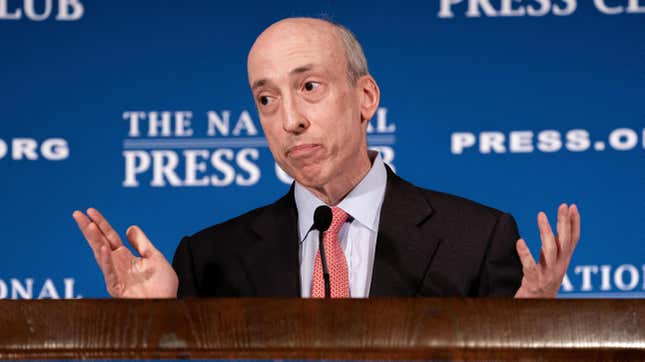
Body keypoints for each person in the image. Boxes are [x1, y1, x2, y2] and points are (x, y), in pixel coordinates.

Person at [72, 17, 580, 299]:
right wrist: (155, 323)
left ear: (366, 98)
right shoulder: (207, 261)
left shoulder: (479, 238)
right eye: (266, 99)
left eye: (309, 86)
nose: (289, 119)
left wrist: (529, 329)